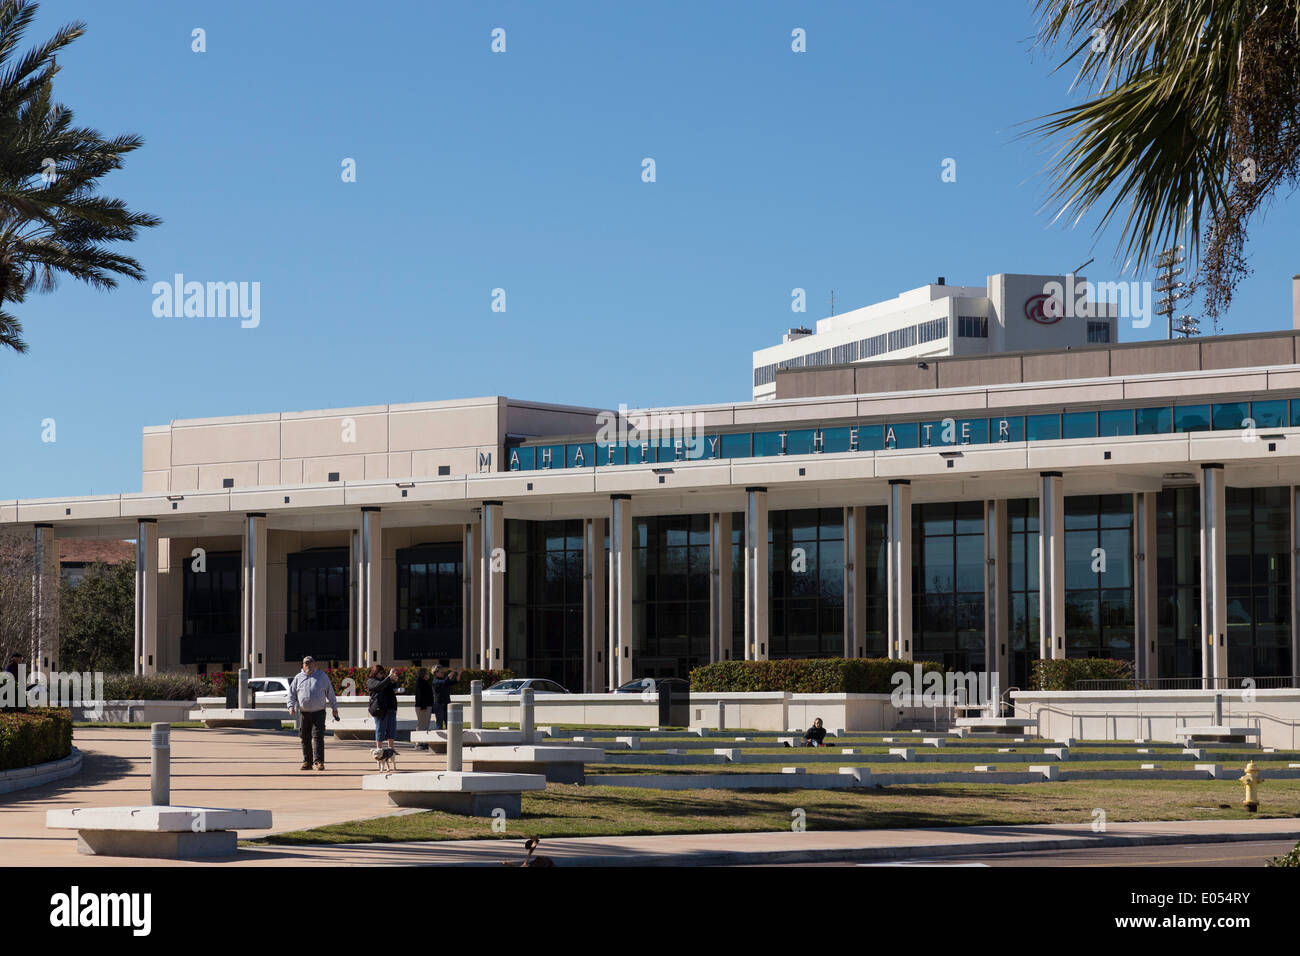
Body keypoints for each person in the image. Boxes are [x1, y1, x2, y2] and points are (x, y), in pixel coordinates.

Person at [287, 656, 339, 771]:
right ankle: (307, 762)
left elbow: (330, 693)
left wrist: (334, 708)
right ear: (303, 665)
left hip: (319, 712)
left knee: (318, 737)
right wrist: (291, 706)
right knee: (305, 737)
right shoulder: (298, 678)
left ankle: (319, 761)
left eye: (310, 663)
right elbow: (291, 694)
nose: (308, 665)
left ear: (314, 664)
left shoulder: (322, 676)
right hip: (304, 713)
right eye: (306, 664)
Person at [367, 664, 399, 761]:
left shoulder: (385, 681)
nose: (382, 675)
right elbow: (379, 687)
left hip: (391, 709)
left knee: (391, 730)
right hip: (380, 710)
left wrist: (394, 679)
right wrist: (389, 678)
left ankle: (390, 751)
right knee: (380, 730)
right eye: (380, 673)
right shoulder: (371, 681)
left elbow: (392, 686)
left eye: (383, 673)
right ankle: (379, 751)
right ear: (375, 673)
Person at [429, 664, 462, 731]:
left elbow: (456, 681)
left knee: (449, 723)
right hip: (439, 705)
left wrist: (459, 674)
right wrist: (453, 672)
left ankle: (449, 738)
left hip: (447, 704)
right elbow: (445, 681)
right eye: (441, 672)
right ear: (436, 673)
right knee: (439, 724)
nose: (443, 673)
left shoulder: (443, 680)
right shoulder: (435, 682)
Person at [413, 667, 433, 750]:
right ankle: (419, 742)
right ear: (424, 674)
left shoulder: (424, 682)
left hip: (426, 706)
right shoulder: (420, 683)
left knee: (425, 724)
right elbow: (421, 695)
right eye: (427, 673)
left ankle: (424, 741)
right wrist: (424, 706)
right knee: (422, 724)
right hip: (422, 707)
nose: (428, 675)